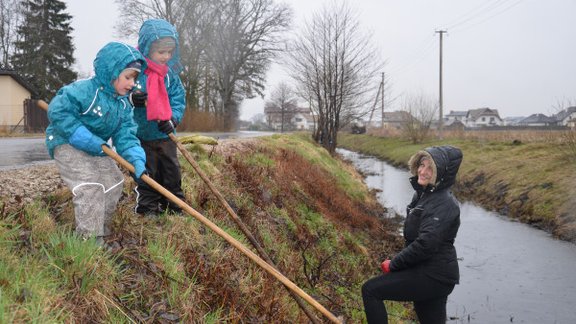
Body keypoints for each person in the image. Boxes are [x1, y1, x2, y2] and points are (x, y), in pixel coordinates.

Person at [45, 41, 148, 244]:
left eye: (134, 79)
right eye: (128, 77)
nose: (131, 84)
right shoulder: (84, 90)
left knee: (114, 181)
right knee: (90, 183)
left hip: (97, 147)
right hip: (67, 142)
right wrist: (81, 136)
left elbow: (126, 136)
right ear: (111, 71)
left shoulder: (123, 106)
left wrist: (136, 160)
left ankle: (100, 230)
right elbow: (57, 109)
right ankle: (88, 241)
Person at [362, 145, 463, 324]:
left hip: (434, 275)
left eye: (430, 168)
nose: (422, 171)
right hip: (428, 272)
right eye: (421, 165)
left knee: (371, 290)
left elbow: (426, 244)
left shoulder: (444, 203)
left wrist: (394, 264)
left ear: (441, 173)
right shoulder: (423, 196)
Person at [129, 18, 186, 216]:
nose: (166, 56)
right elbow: (119, 94)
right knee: (146, 173)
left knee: (171, 171)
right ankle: (148, 208)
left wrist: (173, 119)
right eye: (161, 52)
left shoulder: (170, 75)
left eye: (169, 52)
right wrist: (131, 99)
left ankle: (174, 205)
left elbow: (178, 100)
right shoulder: (135, 72)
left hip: (164, 134)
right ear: (146, 48)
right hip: (141, 136)